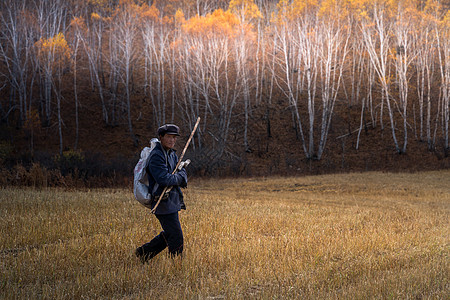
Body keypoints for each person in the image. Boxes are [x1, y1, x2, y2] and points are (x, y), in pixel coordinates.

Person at [135, 124, 188, 263]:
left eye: (174, 137)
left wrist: (178, 178)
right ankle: (176, 265)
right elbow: (163, 179)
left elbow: (182, 173)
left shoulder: (171, 154)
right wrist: (179, 178)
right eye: (169, 137)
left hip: (172, 200)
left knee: (170, 233)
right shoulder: (156, 156)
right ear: (161, 137)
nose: (172, 140)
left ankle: (144, 252)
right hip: (162, 201)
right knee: (176, 235)